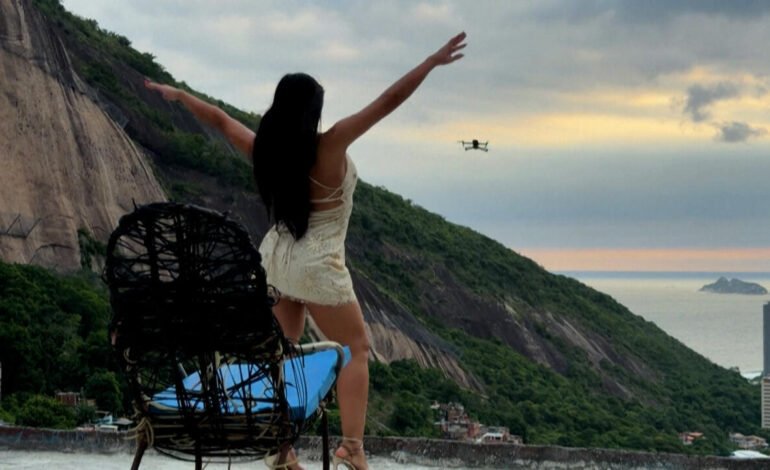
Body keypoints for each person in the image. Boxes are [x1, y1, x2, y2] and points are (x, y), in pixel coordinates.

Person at [146, 31, 467, 470]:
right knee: (356, 349)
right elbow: (388, 101)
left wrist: (180, 95)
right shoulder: (329, 146)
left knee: (282, 354)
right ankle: (352, 447)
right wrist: (429, 62)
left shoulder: (266, 152)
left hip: (275, 260)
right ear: (311, 112)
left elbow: (220, 120)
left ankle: (281, 449)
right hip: (315, 264)